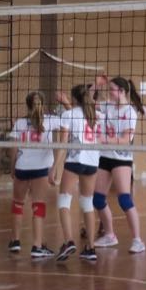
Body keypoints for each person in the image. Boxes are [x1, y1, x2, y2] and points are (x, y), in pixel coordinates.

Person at [92, 76, 146, 254]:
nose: (109, 92)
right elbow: (88, 102)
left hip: (121, 158)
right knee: (97, 199)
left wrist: (104, 139)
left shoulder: (130, 112)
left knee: (124, 199)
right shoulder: (108, 106)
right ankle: (110, 235)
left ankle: (138, 240)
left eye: (112, 89)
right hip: (104, 157)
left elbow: (125, 140)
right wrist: (96, 84)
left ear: (122, 91)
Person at [52, 84, 103, 262]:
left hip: (75, 160)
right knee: (87, 203)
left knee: (64, 200)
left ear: (74, 98)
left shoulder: (69, 115)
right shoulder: (97, 115)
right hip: (92, 162)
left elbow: (63, 144)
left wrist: (54, 168)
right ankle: (91, 247)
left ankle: (69, 241)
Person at [7, 91, 58, 258]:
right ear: (42, 104)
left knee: (17, 204)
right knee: (38, 205)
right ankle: (37, 246)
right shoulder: (50, 120)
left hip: (22, 167)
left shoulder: (20, 122)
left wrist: (13, 167)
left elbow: (13, 148)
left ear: (27, 105)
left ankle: (15, 241)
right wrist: (65, 102)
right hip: (41, 168)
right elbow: (71, 120)